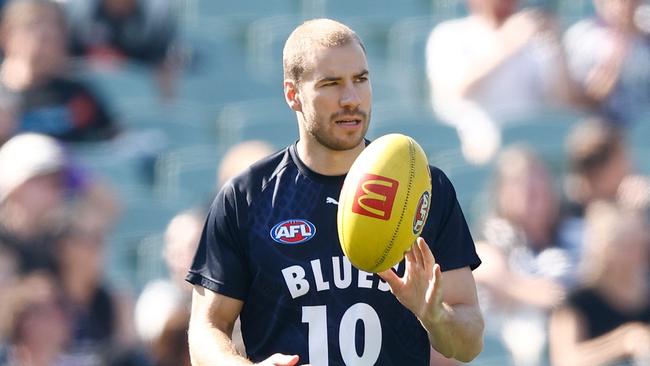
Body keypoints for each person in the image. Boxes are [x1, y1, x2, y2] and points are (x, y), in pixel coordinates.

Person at [186, 18, 484, 365]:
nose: (351, 98)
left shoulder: (421, 190)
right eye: (331, 84)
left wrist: (434, 316)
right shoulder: (247, 197)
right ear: (293, 94)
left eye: (361, 79)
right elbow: (206, 327)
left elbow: (469, 343)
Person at [426, 0, 578, 164]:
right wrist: (509, 41)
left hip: (534, 154)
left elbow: (564, 101)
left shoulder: (535, 39)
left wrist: (557, 44)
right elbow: (459, 87)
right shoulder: (449, 34)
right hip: (477, 150)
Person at [475, 146, 572, 366]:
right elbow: (482, 263)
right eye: (525, 189)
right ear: (503, 193)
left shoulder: (572, 231)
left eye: (541, 186)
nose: (536, 194)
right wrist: (521, 289)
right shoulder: (496, 232)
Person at [0, 0, 118, 142]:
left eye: (56, 31)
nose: (50, 39)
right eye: (35, 28)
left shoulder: (78, 95)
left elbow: (111, 142)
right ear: (7, 35)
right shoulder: (4, 95)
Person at [549, 202, 650, 366]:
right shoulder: (577, 301)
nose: (636, 252)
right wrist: (621, 343)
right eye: (626, 244)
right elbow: (563, 360)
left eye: (640, 241)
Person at [563, 0, 650, 126]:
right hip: (604, 128)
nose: (626, 6)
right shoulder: (582, 36)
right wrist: (622, 42)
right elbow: (589, 98)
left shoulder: (645, 35)